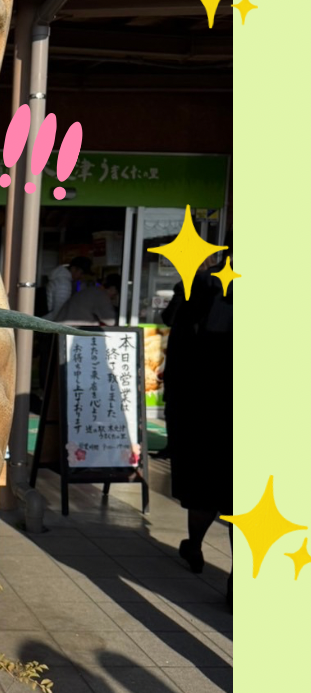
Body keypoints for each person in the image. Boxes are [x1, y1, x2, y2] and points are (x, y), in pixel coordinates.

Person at [161, 256, 233, 606]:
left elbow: (170, 323)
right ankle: (240, 582)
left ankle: (194, 545)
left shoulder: (197, 285)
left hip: (198, 408)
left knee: (204, 487)